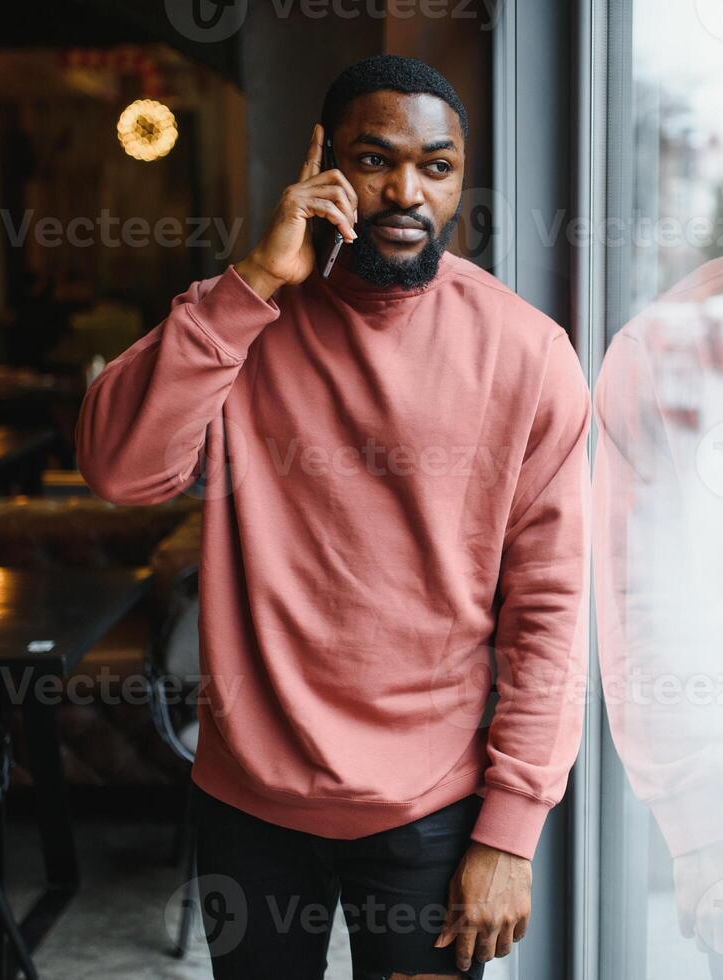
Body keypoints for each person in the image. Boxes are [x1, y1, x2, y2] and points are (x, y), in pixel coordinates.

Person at [76, 56, 590, 979]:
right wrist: (254, 280)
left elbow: (549, 611)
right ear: (320, 163)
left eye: (436, 166)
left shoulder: (527, 353)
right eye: (373, 159)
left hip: (432, 811)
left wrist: (510, 832)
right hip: (249, 804)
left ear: (460, 177)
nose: (405, 191)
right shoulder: (240, 319)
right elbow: (120, 470)